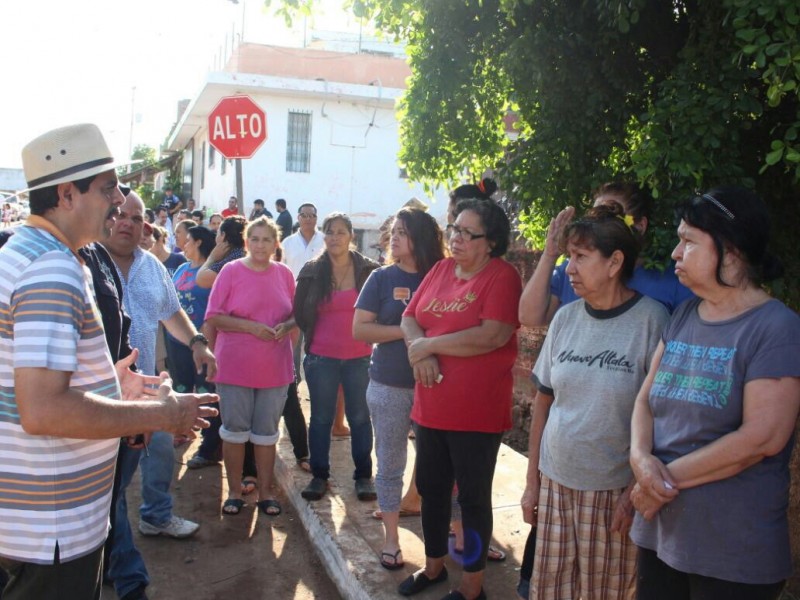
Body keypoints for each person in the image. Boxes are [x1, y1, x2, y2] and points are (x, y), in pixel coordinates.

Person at [0, 123, 217, 600]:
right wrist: (163, 413)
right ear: (66, 194)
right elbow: (43, 410)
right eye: (107, 189)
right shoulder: (50, 268)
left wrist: (108, 385)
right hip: (51, 528)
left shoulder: (35, 253)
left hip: (38, 522)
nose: (120, 201)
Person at [629, 187, 800, 600]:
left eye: (688, 241)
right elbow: (643, 401)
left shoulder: (776, 327)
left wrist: (657, 483)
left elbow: (761, 438)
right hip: (660, 535)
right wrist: (640, 460)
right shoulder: (685, 313)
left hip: (732, 555)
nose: (675, 252)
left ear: (732, 251)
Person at [521, 203, 669, 600]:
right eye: (570, 257)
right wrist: (532, 482)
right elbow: (543, 402)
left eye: (581, 258)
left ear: (614, 261)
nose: (569, 269)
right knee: (551, 591)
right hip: (555, 484)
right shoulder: (566, 319)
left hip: (612, 493)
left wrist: (635, 490)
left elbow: (663, 417)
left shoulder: (653, 321)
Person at [398, 198, 521, 600]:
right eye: (455, 229)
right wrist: (423, 350)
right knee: (432, 491)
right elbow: (409, 317)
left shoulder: (502, 277)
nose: (457, 238)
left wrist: (428, 345)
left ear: (492, 242)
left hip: (477, 413)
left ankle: (472, 587)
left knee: (471, 499)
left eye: (469, 233)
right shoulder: (439, 269)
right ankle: (433, 568)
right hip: (431, 406)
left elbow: (493, 334)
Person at [103, 190, 218, 600]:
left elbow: (173, 313)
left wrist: (198, 341)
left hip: (148, 390)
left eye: (137, 218)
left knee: (159, 455)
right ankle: (128, 574)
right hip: (101, 399)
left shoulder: (152, 266)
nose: (127, 223)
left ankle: (154, 517)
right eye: (120, 214)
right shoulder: (86, 264)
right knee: (110, 489)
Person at [353, 207, 445, 570]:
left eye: (403, 232)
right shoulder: (380, 278)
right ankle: (391, 538)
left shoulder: (442, 276)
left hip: (436, 384)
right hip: (389, 382)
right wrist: (408, 332)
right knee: (390, 461)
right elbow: (360, 330)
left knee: (442, 465)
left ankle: (457, 530)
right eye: (393, 230)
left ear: (421, 238)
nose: (394, 237)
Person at [205, 217, 296, 516]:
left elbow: (297, 315)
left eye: (266, 239)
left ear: (275, 244)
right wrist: (249, 327)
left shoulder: (284, 274)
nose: (260, 245)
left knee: (267, 433)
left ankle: (266, 494)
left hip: (275, 368)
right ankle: (233, 493)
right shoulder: (230, 271)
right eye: (254, 239)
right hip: (234, 365)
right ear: (246, 242)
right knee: (234, 431)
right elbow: (214, 317)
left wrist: (287, 326)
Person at [519, 181, 692, 328]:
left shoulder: (671, 281)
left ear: (640, 225)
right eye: (595, 217)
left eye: (610, 217)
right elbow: (529, 318)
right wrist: (549, 255)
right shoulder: (571, 270)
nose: (598, 227)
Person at [295, 212, 379, 501]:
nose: (334, 237)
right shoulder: (312, 270)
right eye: (329, 232)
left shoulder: (369, 270)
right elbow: (300, 312)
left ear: (351, 236)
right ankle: (319, 476)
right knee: (320, 418)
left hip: (360, 357)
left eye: (341, 232)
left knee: (359, 417)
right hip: (321, 357)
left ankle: (364, 476)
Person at [167, 226, 220, 467]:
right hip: (177, 342)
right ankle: (181, 430)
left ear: (198, 242)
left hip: (204, 341)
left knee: (204, 390)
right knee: (180, 386)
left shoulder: (209, 274)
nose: (183, 245)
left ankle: (208, 446)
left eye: (187, 240)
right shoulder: (181, 269)